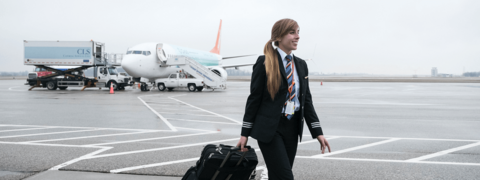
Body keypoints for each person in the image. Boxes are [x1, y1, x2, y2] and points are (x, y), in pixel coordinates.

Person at [236, 18, 331, 180]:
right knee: (285, 177)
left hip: (292, 129)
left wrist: (318, 132)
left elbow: (306, 101)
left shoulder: (301, 65)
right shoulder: (264, 62)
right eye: (292, 32)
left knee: (277, 176)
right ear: (279, 37)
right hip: (270, 130)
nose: (297, 36)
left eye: (298, 32)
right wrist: (244, 133)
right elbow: (254, 99)